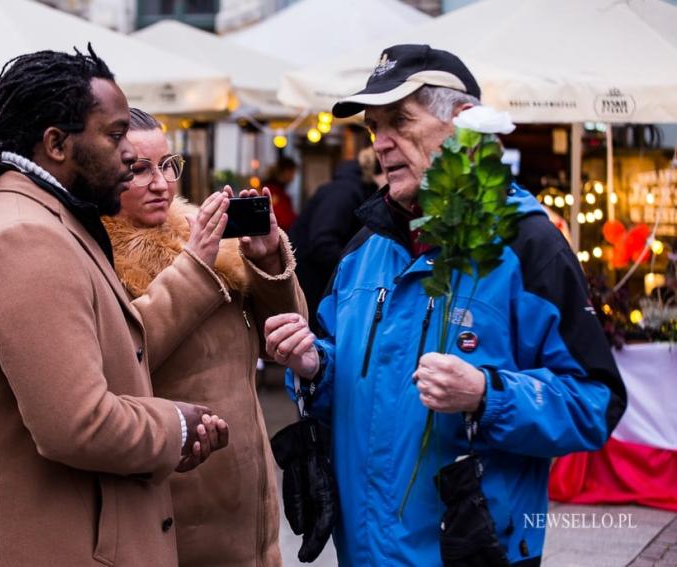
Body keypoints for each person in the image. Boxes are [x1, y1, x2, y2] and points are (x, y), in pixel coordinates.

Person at [264, 44, 626, 566]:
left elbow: (595, 401)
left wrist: (486, 395)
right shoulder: (364, 249)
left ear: (463, 125)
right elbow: (347, 376)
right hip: (362, 552)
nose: (380, 144)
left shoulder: (529, 246)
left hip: (470, 551)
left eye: (399, 122)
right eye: (372, 128)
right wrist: (313, 364)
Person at [0, 47, 232, 567]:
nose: (128, 154)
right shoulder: (26, 236)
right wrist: (177, 428)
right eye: (115, 136)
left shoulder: (38, 218)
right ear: (56, 143)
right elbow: (78, 425)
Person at [102, 108, 307, 567]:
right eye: (138, 170)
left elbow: (286, 340)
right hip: (175, 508)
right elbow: (121, 357)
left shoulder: (207, 239)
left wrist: (268, 261)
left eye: (167, 165)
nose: (160, 183)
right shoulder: (99, 256)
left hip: (248, 506)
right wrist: (193, 267)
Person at [290, 147, 384, 333]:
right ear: (379, 172)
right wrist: (355, 271)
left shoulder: (353, 190)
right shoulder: (344, 192)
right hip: (312, 286)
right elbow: (322, 242)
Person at [263, 156, 299, 231]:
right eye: (292, 172)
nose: (293, 177)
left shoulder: (279, 191)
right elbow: (283, 220)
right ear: (285, 171)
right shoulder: (273, 192)